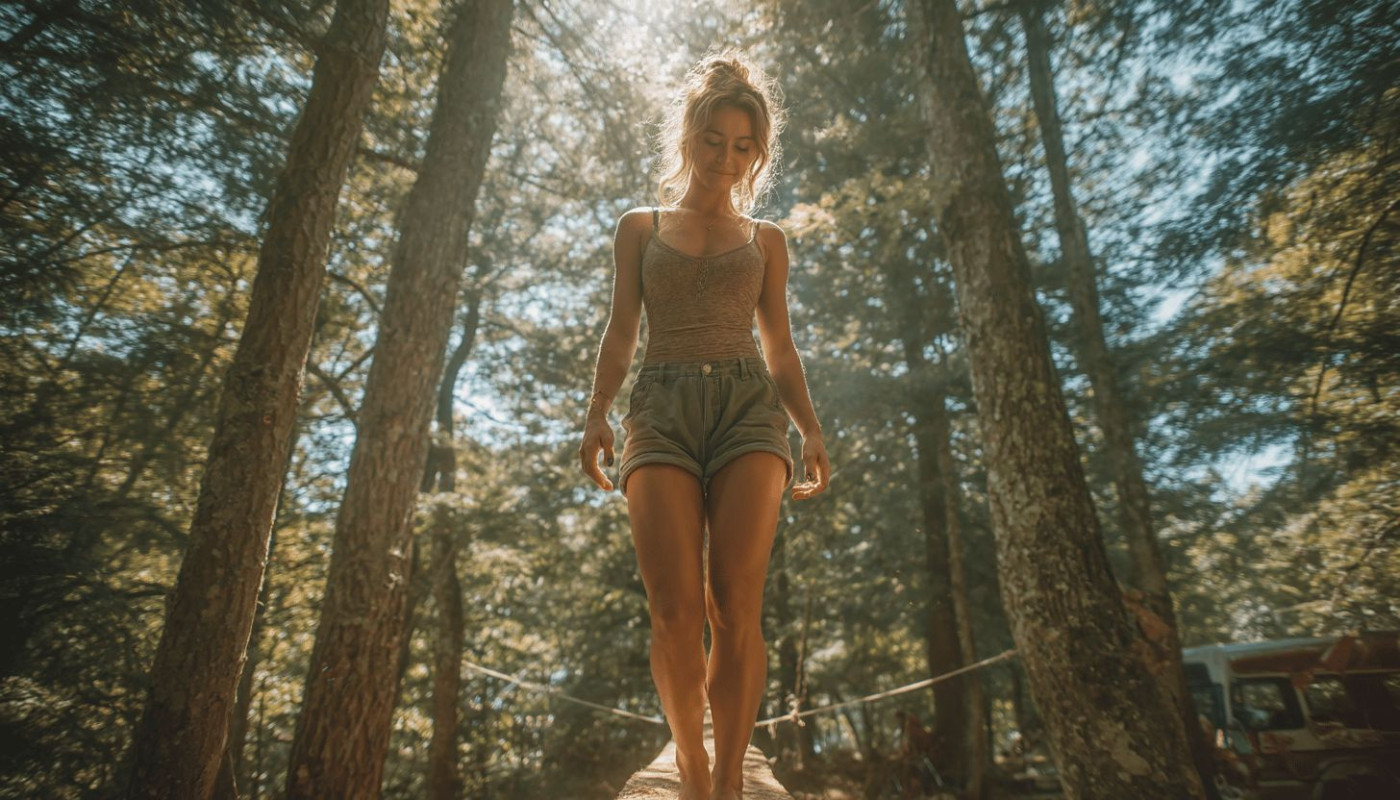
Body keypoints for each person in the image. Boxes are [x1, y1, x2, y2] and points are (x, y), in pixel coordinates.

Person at [578, 51, 830, 800]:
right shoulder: (639, 228)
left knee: (736, 602)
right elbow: (622, 332)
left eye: (743, 144)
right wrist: (597, 411)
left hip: (750, 411)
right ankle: (689, 761)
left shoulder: (767, 241)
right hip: (659, 409)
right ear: (689, 136)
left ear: (758, 153)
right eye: (714, 138)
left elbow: (780, 347)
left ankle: (724, 781)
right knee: (674, 609)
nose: (727, 155)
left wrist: (810, 429)